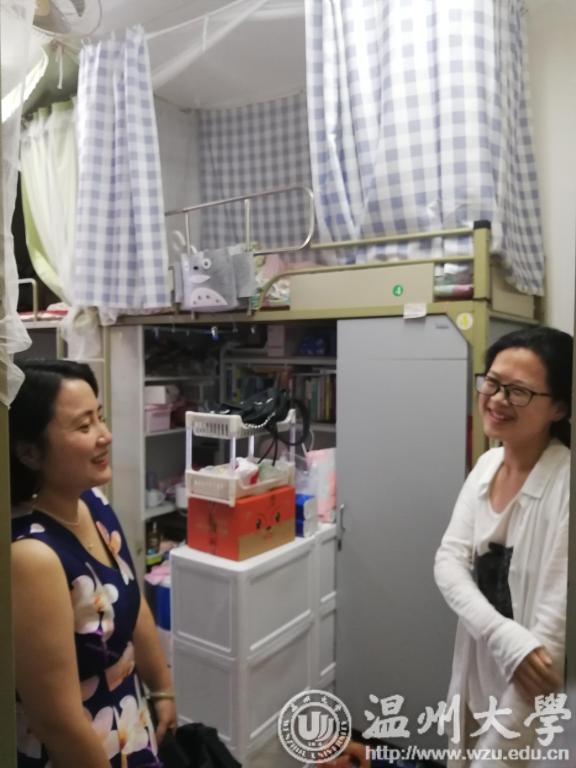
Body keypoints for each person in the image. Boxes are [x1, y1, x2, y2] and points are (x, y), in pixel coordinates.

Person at [10, 360, 176, 768]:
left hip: (128, 723)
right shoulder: (31, 557)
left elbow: (131, 599)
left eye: (100, 417)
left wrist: (161, 687)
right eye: (84, 426)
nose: (105, 435)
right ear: (29, 452)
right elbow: (59, 724)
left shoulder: (91, 502)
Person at [434, 327, 572, 766]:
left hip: (527, 709)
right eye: (492, 383)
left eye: (518, 391)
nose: (496, 399)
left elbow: (547, 652)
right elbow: (448, 562)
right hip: (478, 679)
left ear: (559, 407)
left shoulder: (566, 485)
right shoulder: (487, 465)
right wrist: (503, 636)